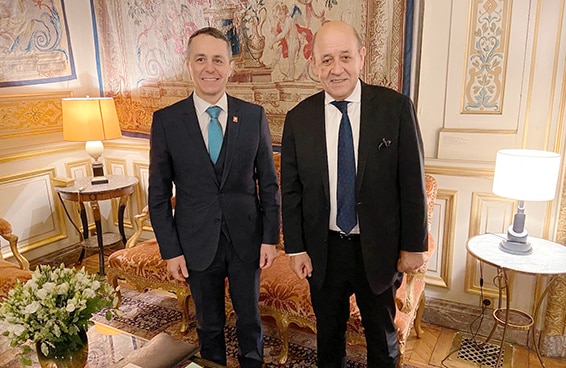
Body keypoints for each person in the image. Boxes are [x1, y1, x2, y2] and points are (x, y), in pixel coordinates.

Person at [280, 21, 428, 367]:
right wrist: (297, 248)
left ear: (361, 58)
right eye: (327, 59)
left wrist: (414, 246)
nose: (337, 68)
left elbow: (412, 182)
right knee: (328, 340)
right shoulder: (298, 119)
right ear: (314, 64)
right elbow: (291, 190)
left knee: (382, 339)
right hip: (323, 251)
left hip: (378, 250)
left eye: (345, 56)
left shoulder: (395, 108)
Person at [148, 27, 280, 368]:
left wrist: (270, 239)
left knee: (250, 321)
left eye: (218, 60)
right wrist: (171, 250)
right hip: (195, 242)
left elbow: (268, 184)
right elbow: (159, 194)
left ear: (230, 67)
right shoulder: (166, 121)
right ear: (188, 65)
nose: (210, 68)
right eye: (201, 59)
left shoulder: (253, 116)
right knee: (208, 326)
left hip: (246, 240)